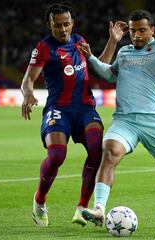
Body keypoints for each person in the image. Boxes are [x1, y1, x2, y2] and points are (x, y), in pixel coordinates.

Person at [79, 9, 155, 226]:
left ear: (152, 30)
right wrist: (90, 56)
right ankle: (99, 209)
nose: (136, 34)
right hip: (125, 119)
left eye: (142, 30)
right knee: (109, 153)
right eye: (132, 30)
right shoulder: (124, 52)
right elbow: (109, 74)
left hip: (154, 122)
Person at [21, 2, 127, 227]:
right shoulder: (44, 48)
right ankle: (39, 202)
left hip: (85, 109)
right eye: (57, 25)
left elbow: (101, 66)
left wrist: (113, 41)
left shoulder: (79, 41)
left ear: (72, 24)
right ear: (49, 26)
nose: (62, 29)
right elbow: (28, 80)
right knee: (57, 155)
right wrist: (28, 94)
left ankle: (82, 207)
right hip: (58, 109)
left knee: (97, 152)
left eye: (66, 24)